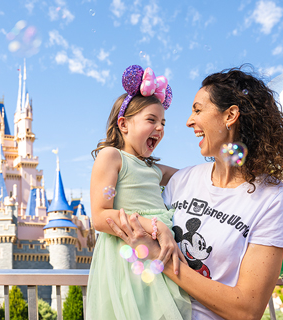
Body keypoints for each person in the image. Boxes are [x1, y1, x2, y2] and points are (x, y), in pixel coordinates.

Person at [106, 65, 283, 319]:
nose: (189, 121)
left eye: (198, 110)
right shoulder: (182, 180)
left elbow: (247, 310)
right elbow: (131, 169)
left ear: (230, 115)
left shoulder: (274, 199)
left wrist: (161, 259)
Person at [86, 65, 191, 320]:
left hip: (160, 254)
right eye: (151, 120)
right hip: (129, 260)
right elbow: (100, 216)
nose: (160, 128)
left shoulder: (152, 167)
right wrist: (157, 226)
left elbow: (190, 176)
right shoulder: (112, 156)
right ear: (123, 124)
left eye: (163, 122)